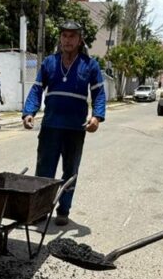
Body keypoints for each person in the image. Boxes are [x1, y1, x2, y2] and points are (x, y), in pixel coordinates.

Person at [23, 20, 107, 226]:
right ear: (60, 39)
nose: (67, 40)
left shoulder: (90, 65)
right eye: (64, 36)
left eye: (72, 36)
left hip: (75, 129)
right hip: (51, 126)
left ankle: (63, 209)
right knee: (44, 172)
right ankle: (41, 210)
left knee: (70, 171)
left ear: (80, 40)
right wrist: (28, 112)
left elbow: (99, 94)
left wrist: (97, 117)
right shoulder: (49, 63)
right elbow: (36, 89)